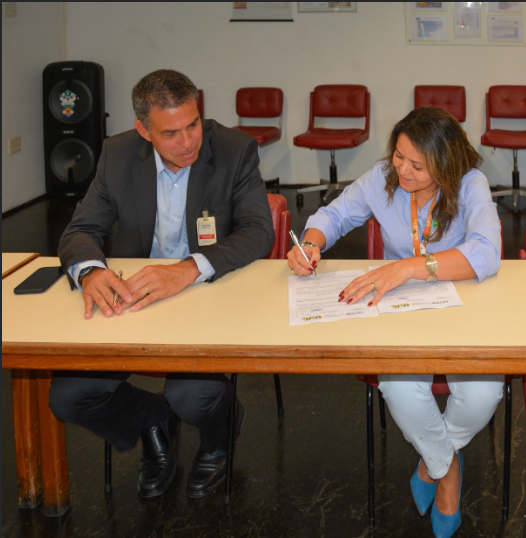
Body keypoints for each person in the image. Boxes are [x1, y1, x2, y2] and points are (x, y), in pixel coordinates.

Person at [50, 69, 274, 501]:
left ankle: (217, 441)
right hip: (135, 300)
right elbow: (80, 230)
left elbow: (258, 231)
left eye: (193, 124)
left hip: (207, 295)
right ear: (143, 130)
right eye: (170, 133)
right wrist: (91, 272)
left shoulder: (234, 150)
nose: (188, 142)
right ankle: (151, 419)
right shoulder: (117, 154)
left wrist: (189, 268)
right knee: (70, 395)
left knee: (192, 395)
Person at [287, 106, 503, 538]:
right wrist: (309, 244)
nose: (402, 170)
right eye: (399, 156)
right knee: (400, 390)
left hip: (463, 304)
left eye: (417, 165)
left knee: (483, 394)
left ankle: (431, 461)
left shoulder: (470, 184)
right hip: (398, 307)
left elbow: (486, 251)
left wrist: (408, 267)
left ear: (446, 164)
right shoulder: (383, 177)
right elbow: (333, 215)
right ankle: (447, 470)